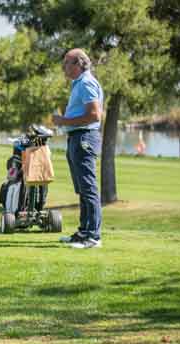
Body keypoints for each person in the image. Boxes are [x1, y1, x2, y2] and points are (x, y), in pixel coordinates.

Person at [52, 48, 103, 249]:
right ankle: (84, 232)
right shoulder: (79, 84)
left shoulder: (87, 83)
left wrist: (64, 120)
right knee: (82, 188)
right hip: (77, 136)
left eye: (67, 62)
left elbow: (94, 115)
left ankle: (93, 236)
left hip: (84, 137)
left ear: (79, 64)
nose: (64, 66)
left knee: (88, 187)